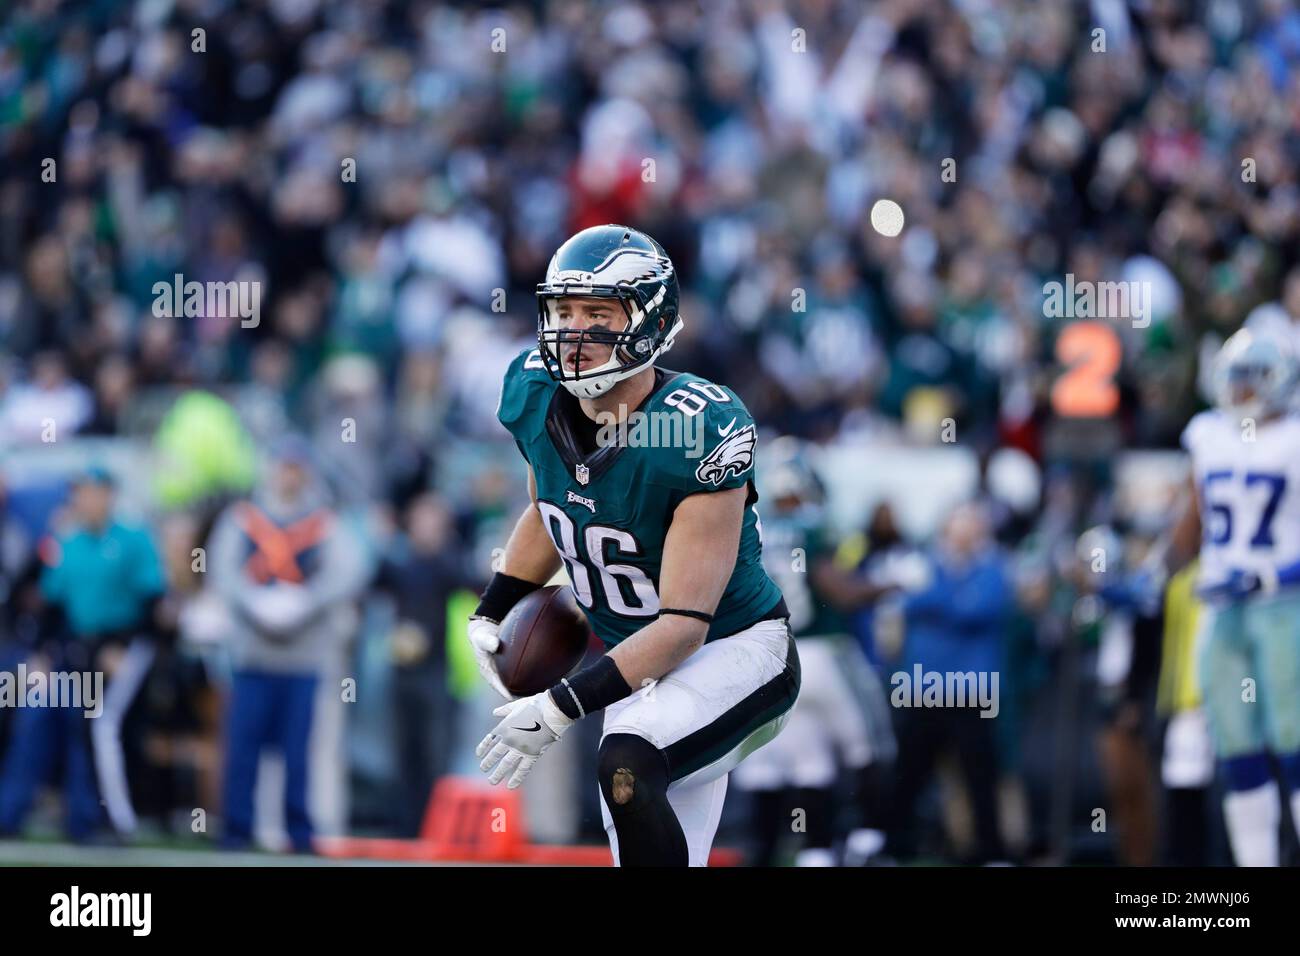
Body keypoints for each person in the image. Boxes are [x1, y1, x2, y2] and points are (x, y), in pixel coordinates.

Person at [465, 224, 799, 867]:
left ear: (650, 321)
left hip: (736, 651)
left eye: (597, 313)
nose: (573, 332)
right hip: (640, 669)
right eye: (564, 311)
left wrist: (560, 707)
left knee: (628, 762)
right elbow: (548, 511)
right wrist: (495, 608)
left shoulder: (696, 427)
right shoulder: (534, 392)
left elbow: (682, 625)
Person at [1161, 328, 1300, 866]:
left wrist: (1272, 578)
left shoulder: (1292, 436)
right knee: (1236, 747)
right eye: (1236, 376)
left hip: (1284, 607)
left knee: (1293, 740)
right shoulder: (1208, 435)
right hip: (1221, 608)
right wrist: (1150, 576)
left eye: (1253, 377)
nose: (1242, 389)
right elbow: (1190, 527)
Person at [732, 438, 895, 866]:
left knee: (809, 762)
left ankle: (815, 854)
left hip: (774, 661)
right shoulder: (813, 526)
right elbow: (837, 590)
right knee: (871, 747)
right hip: (825, 652)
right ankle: (868, 842)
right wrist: (892, 584)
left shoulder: (750, 529)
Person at [208, 436, 368, 853]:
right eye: (284, 466)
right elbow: (222, 570)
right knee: (243, 748)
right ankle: (236, 830)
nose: (289, 475)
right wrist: (254, 602)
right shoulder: (243, 518)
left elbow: (350, 569)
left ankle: (298, 830)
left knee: (298, 752)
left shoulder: (324, 522)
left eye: (296, 468)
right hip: (253, 654)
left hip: (303, 655)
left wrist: (307, 602)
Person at [0, 466, 166, 840]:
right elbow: (50, 603)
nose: (85, 500)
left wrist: (121, 647)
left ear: (109, 495)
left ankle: (100, 819)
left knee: (96, 723)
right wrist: (41, 654)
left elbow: (153, 602)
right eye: (80, 493)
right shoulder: (66, 542)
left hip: (120, 646)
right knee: (34, 711)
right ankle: (10, 814)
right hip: (73, 650)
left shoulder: (133, 538)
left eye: (92, 492)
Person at [883, 502, 1012, 864]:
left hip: (972, 692)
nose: (964, 534)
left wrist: (931, 599)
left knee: (980, 777)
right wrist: (940, 599)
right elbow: (902, 604)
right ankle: (894, 848)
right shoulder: (925, 564)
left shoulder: (992, 569)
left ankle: (991, 852)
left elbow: (976, 610)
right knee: (909, 775)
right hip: (923, 689)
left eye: (971, 526)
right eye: (959, 526)